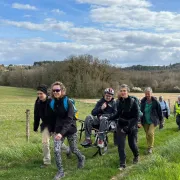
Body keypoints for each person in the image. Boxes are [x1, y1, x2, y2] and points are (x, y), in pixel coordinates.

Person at [50, 81, 85, 180]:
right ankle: (61, 172)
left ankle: (81, 158)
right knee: (56, 150)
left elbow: (70, 119)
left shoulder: (68, 102)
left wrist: (61, 133)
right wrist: (53, 129)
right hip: (59, 130)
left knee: (73, 149)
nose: (56, 92)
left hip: (70, 129)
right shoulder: (52, 102)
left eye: (58, 90)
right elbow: (54, 117)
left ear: (62, 91)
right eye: (54, 90)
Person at [34, 84, 71, 168]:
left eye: (41, 93)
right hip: (45, 125)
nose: (39, 95)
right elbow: (36, 114)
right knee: (44, 142)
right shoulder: (38, 102)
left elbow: (59, 114)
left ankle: (68, 150)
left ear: (45, 93)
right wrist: (35, 126)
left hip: (55, 124)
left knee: (57, 143)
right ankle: (46, 162)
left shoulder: (51, 101)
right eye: (38, 94)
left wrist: (60, 126)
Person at [109, 84, 139, 170]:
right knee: (120, 145)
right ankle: (122, 163)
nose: (123, 92)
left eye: (124, 91)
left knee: (132, 144)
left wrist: (129, 127)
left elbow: (136, 117)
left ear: (127, 92)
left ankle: (136, 156)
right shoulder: (119, 102)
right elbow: (118, 114)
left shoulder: (133, 102)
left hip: (131, 126)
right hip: (121, 125)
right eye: (121, 91)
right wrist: (109, 118)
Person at [141, 87, 163, 154]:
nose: (147, 95)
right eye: (146, 94)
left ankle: (150, 147)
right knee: (147, 134)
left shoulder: (155, 102)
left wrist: (161, 121)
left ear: (151, 93)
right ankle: (148, 146)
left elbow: (160, 111)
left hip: (153, 120)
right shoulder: (142, 101)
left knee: (150, 133)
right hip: (145, 120)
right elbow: (140, 111)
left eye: (148, 94)